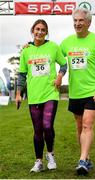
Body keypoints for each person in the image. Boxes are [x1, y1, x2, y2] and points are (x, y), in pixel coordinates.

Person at [60, 7, 95, 175]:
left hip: (92, 91)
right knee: (80, 127)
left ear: (89, 22)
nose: (77, 23)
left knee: (87, 125)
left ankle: (82, 161)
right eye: (75, 21)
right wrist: (32, 45)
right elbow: (54, 55)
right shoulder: (67, 42)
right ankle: (86, 157)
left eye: (81, 20)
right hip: (75, 92)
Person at [15, 19, 67, 173]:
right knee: (37, 129)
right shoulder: (26, 50)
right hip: (34, 96)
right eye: (37, 29)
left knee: (47, 126)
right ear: (33, 30)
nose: (39, 32)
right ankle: (38, 161)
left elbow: (63, 64)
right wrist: (18, 93)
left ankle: (50, 154)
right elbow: (22, 74)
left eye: (43, 30)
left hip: (51, 92)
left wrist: (59, 76)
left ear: (46, 32)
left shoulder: (53, 47)